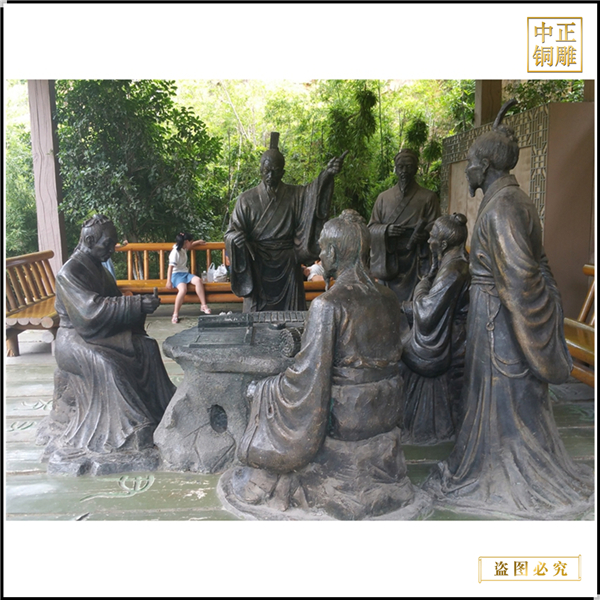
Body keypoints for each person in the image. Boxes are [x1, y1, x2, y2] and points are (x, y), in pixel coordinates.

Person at [423, 101, 594, 518]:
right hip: (495, 314)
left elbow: (522, 279)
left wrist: (539, 327)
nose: (467, 170)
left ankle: (506, 474)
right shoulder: (510, 200)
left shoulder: (503, 208)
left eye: (471, 163)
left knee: (508, 400)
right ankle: (490, 461)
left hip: (501, 323)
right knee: (497, 401)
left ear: (484, 166)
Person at [219, 210, 428, 520]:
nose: (319, 253)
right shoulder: (388, 298)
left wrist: (264, 390)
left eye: (322, 247)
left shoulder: (328, 304)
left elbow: (308, 374)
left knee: (263, 391)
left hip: (347, 413)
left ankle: (265, 477)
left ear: (334, 252)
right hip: (387, 405)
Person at [44, 215, 176, 456]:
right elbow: (89, 313)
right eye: (108, 244)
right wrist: (136, 305)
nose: (112, 250)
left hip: (98, 333)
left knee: (146, 346)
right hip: (74, 338)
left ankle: (164, 408)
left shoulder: (100, 269)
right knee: (107, 365)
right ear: (89, 241)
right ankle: (130, 428)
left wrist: (140, 305)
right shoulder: (69, 272)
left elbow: (114, 301)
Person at [224, 132, 347, 313]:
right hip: (258, 263)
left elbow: (313, 194)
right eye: (267, 170)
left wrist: (327, 174)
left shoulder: (295, 195)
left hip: (288, 263)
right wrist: (235, 238)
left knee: (292, 316)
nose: (270, 175)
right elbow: (231, 232)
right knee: (256, 317)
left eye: (275, 171)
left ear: (282, 172)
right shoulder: (246, 199)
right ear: (260, 170)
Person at [399, 213, 470, 445]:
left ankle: (423, 429)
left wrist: (418, 289)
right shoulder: (449, 264)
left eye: (432, 238)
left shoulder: (454, 270)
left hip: (453, 338)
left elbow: (428, 313)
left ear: (444, 244)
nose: (428, 241)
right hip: (449, 330)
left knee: (399, 350)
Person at [368, 149, 441, 315]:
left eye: (408, 166)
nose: (404, 171)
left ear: (415, 168)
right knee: (388, 306)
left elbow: (437, 226)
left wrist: (424, 234)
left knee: (415, 302)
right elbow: (371, 228)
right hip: (389, 259)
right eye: (400, 167)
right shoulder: (383, 198)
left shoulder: (428, 197)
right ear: (395, 168)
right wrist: (386, 230)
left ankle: (412, 326)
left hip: (416, 258)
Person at [167, 232, 211, 323]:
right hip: (176, 275)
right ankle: (175, 313)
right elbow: (170, 268)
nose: (192, 243)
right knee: (183, 290)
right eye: (191, 242)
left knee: (198, 280)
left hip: (185, 274)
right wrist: (168, 281)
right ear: (186, 242)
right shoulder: (175, 252)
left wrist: (198, 242)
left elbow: (191, 245)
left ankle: (203, 305)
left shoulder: (183, 248)